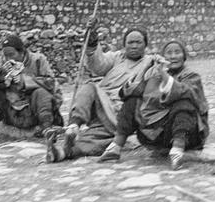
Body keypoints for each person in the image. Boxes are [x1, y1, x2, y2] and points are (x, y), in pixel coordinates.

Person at [46, 24, 158, 162]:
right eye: (130, 42)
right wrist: (92, 42)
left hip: (121, 110)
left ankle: (64, 152)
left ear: (145, 44)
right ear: (124, 45)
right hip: (101, 103)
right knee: (89, 87)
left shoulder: (151, 63)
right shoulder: (117, 57)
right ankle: (74, 125)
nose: (134, 46)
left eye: (138, 42)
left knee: (100, 138)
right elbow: (98, 65)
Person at [94, 40, 209, 169]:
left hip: (189, 136)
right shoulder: (155, 75)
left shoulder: (192, 76)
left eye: (177, 52)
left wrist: (164, 75)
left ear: (184, 56)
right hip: (159, 136)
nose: (173, 56)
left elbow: (183, 92)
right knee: (132, 101)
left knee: (183, 102)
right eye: (169, 53)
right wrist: (133, 83)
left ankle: (177, 152)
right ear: (164, 58)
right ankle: (115, 148)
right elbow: (128, 93)